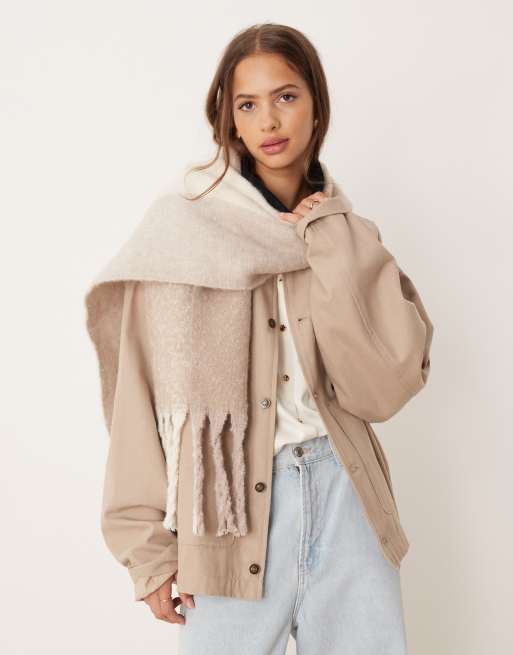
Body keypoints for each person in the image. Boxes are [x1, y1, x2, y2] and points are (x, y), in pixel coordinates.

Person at [84, 22, 434, 655]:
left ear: (317, 106)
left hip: (347, 499)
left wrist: (331, 240)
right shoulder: (181, 233)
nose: (269, 121)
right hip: (226, 515)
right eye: (247, 104)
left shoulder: (347, 234)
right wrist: (146, 549)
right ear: (229, 121)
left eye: (286, 96)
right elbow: (138, 393)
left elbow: (385, 386)